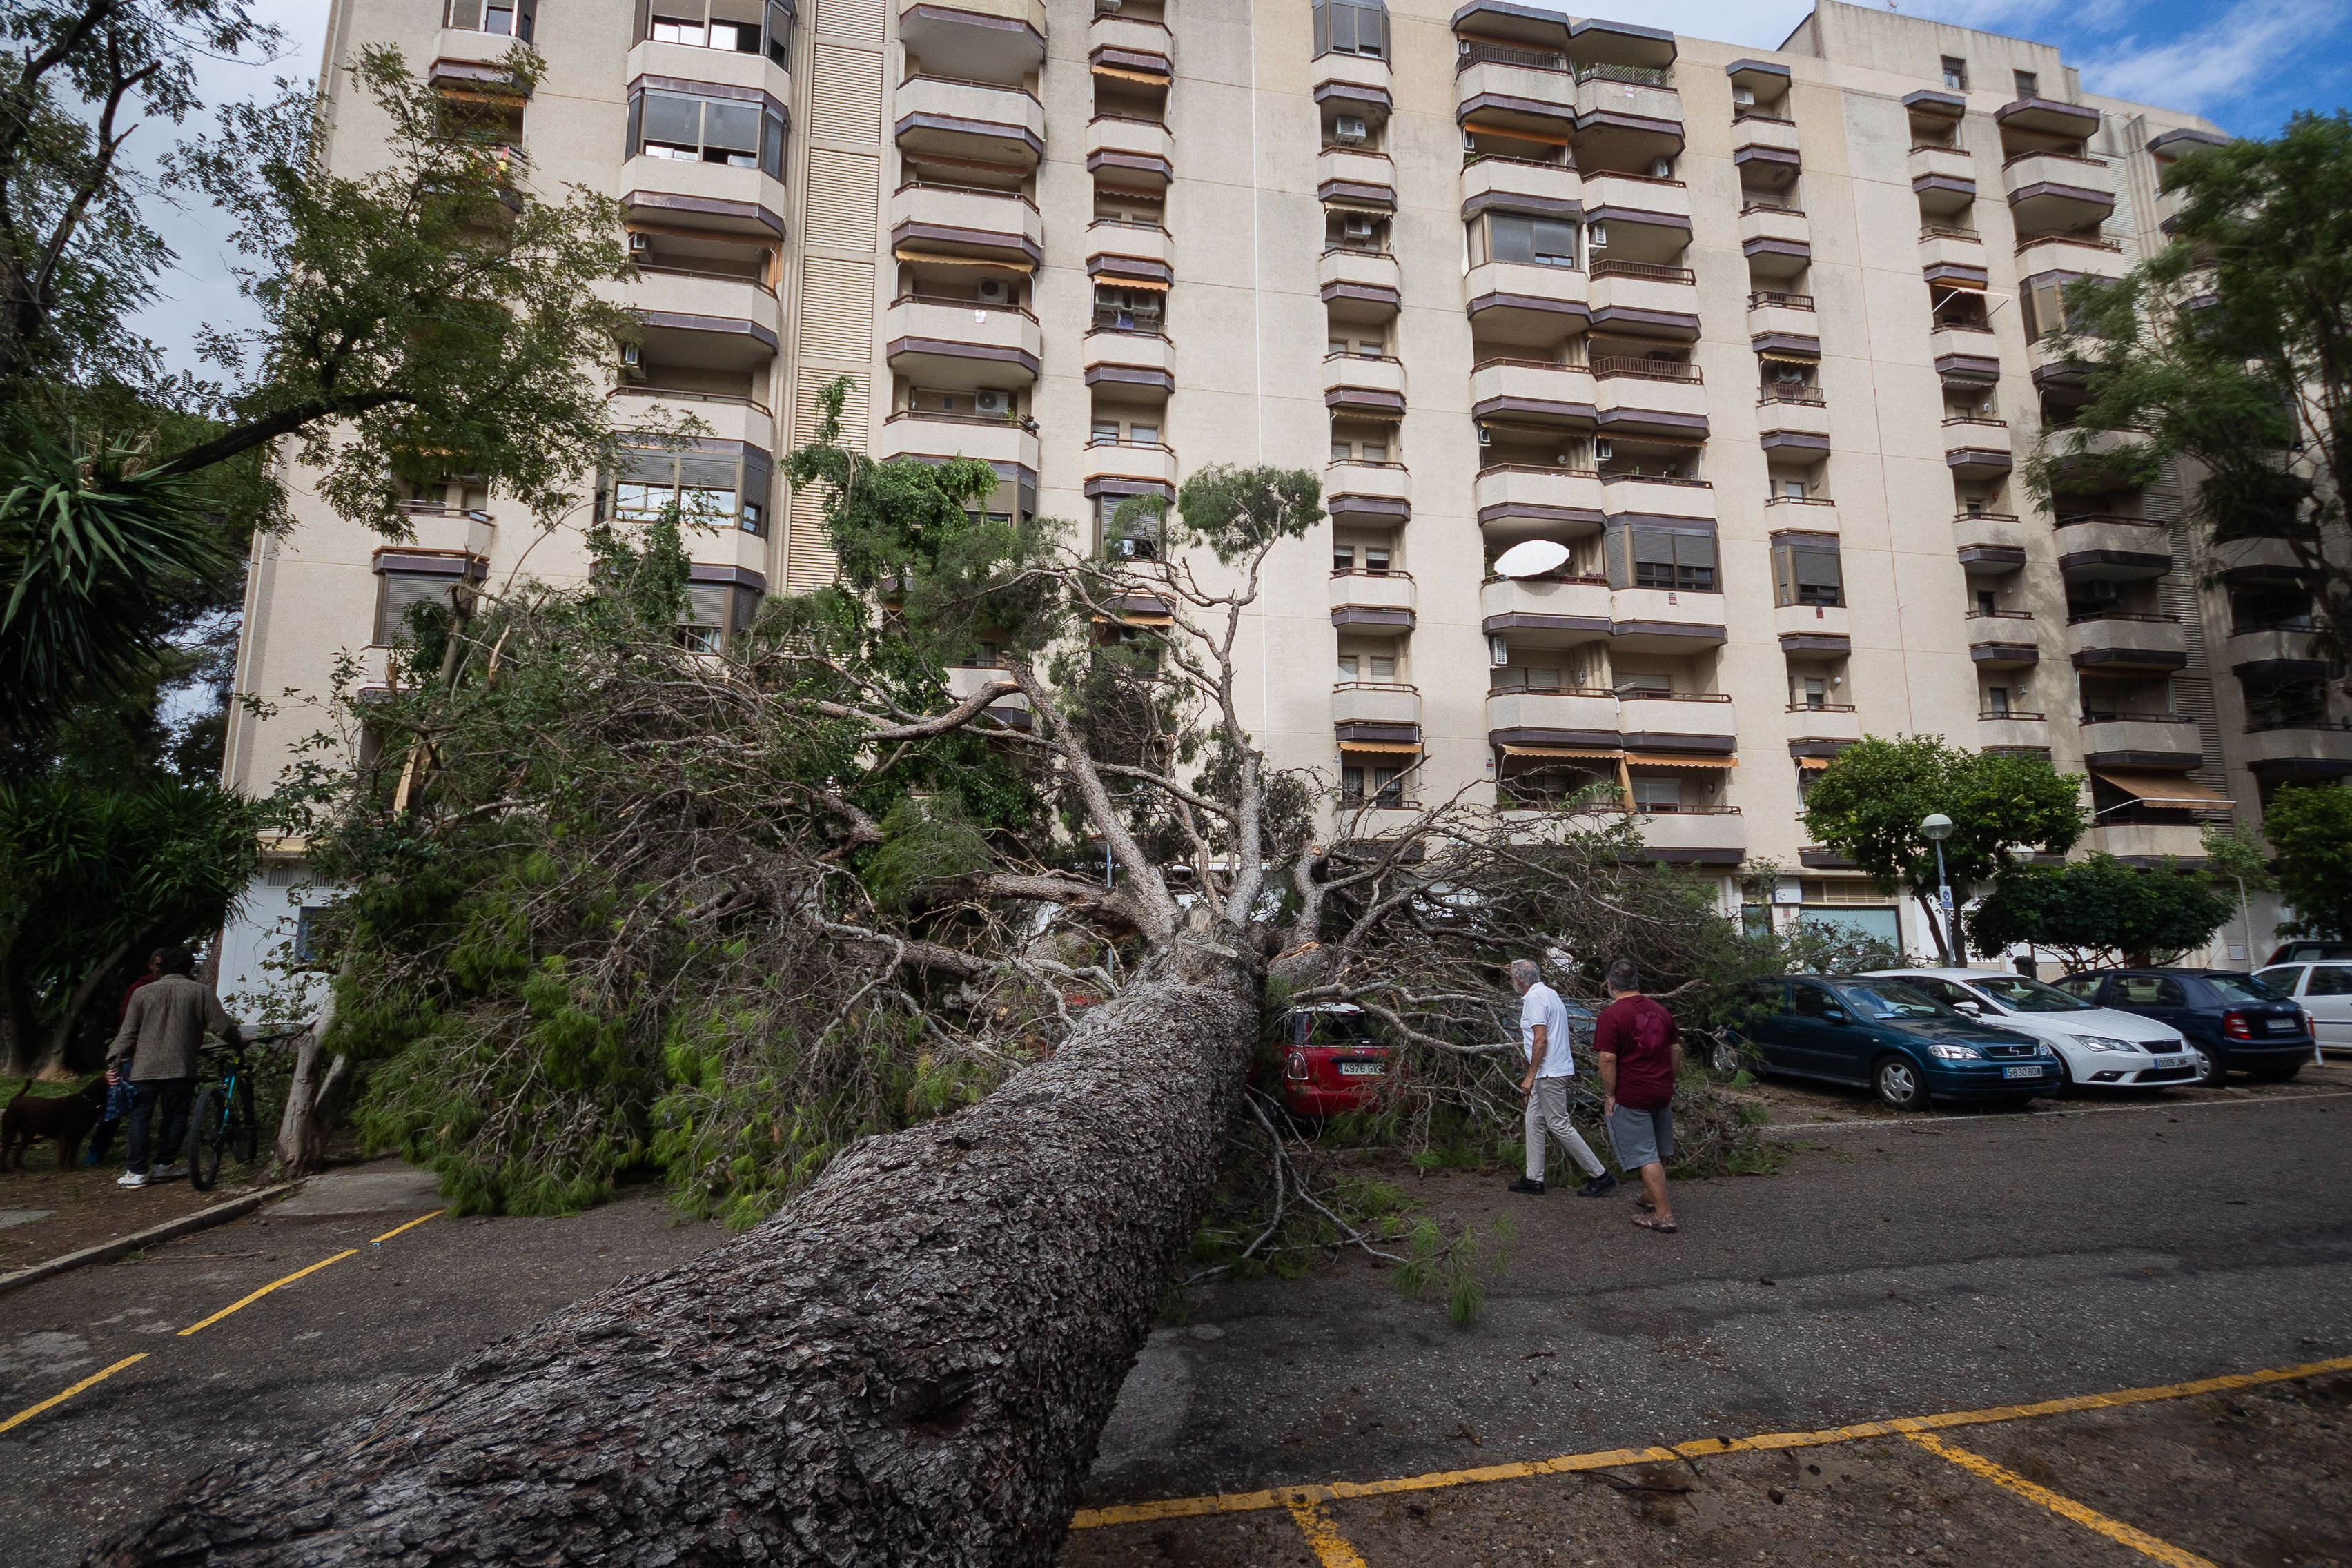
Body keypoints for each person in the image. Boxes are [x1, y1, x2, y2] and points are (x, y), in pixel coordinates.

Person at [107, 947, 242, 1189]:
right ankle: (164, 1166)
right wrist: (238, 1042)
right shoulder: (200, 991)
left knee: (140, 1118)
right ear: (189, 967)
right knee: (176, 1116)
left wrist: (115, 1061)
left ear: (161, 967)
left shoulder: (142, 993)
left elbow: (128, 1033)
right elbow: (222, 1027)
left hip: (144, 1067)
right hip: (180, 1066)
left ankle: (136, 1172)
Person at [1506, 957, 1615, 1198]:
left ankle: (1600, 1175)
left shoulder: (1534, 999)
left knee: (1558, 1124)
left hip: (1548, 1073)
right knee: (1534, 1121)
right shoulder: (1550, 993)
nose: (1511, 981)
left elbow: (1541, 1039)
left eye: (1512, 977)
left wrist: (1529, 1077)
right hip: (1555, 1069)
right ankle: (1533, 1179)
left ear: (1519, 979)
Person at [1594, 957, 1680, 1233]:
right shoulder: (1661, 1011)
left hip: (1632, 1094)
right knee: (1658, 1147)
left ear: (1610, 984)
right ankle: (1651, 1196)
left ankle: (1663, 1215)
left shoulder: (1612, 1015)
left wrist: (1610, 1094)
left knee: (1645, 1154)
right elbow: (1676, 1050)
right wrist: (1669, 1080)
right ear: (1637, 981)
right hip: (1661, 1090)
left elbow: (1608, 1059)